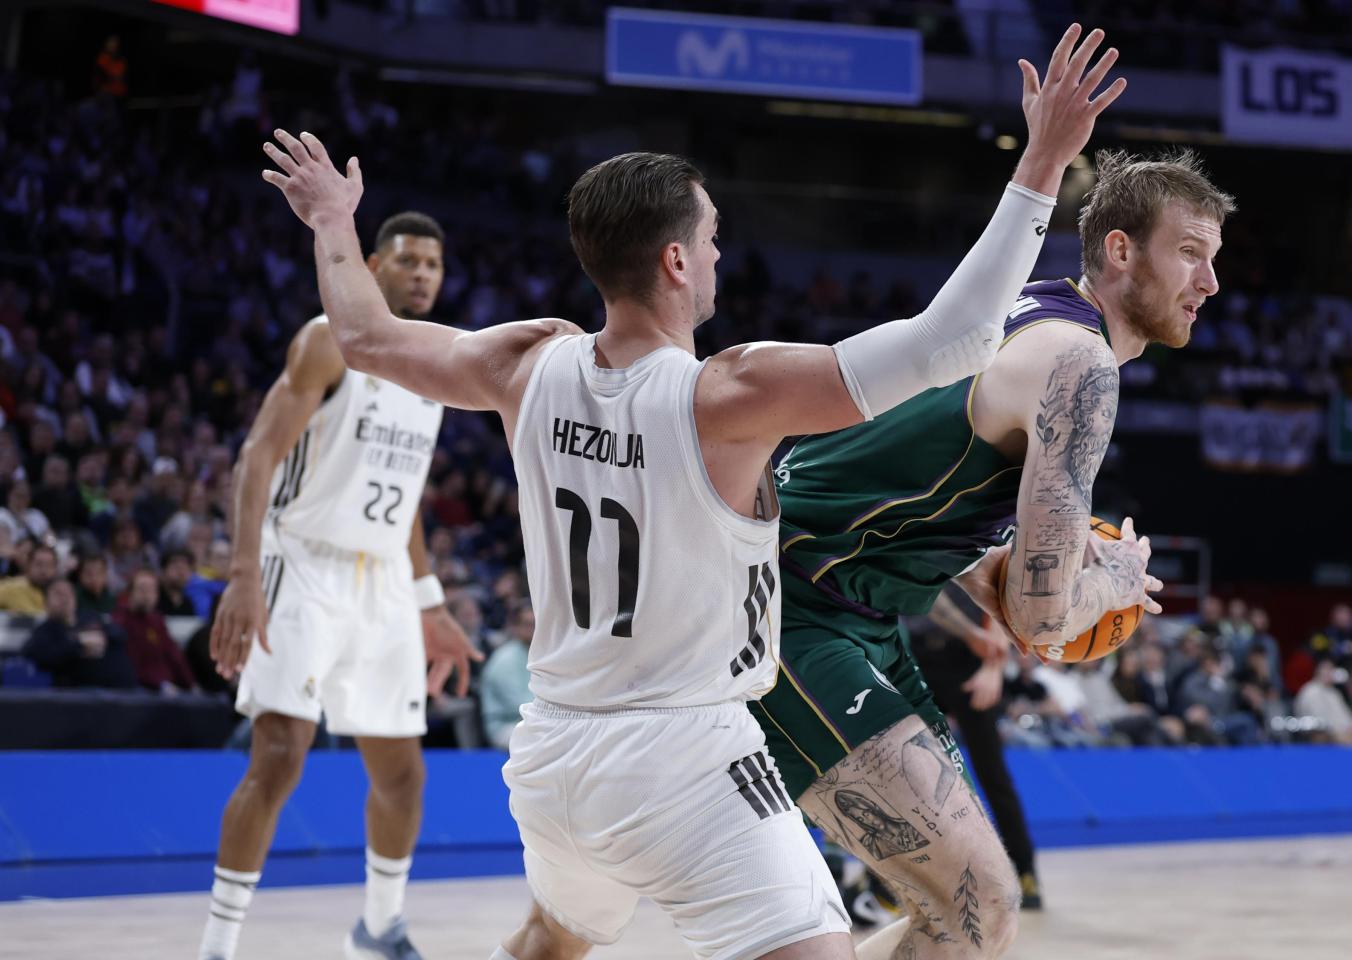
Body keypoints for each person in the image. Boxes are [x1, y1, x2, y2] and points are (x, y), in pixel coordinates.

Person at [259, 22, 1117, 960]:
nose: (717, 255)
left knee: (553, 940)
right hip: (684, 753)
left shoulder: (522, 362)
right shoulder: (725, 394)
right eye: (710, 240)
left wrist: (333, 224)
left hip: (551, 757)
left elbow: (369, 340)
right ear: (674, 260)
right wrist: (1040, 166)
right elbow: (951, 341)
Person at [755, 74, 1220, 960]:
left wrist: (1000, 552)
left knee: (970, 911)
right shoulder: (1080, 364)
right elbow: (1046, 620)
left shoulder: (1028, 306)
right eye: (1192, 252)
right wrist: (1110, 581)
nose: (1212, 280)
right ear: (1119, 251)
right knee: (977, 905)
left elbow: (909, 476)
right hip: (790, 605)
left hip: (845, 601)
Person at [200, 211, 481, 960]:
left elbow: (406, 492)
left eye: (434, 263)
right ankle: (217, 948)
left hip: (382, 578)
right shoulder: (327, 339)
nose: (424, 273)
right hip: (305, 560)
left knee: (403, 773)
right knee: (282, 753)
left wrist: (429, 603)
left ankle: (378, 928)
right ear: (372, 266)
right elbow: (257, 455)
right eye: (409, 260)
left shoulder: (434, 361)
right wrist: (242, 573)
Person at [909, 586, 1042, 909]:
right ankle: (895, 884)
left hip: (971, 659)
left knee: (992, 772)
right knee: (903, 768)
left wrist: (994, 667)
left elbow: (1002, 591)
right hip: (914, 656)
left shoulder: (983, 537)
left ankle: (1024, 871)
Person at [22, 577, 137, 689]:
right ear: (46, 603)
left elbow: (120, 635)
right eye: (58, 594)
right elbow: (33, 652)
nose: (64, 598)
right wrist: (79, 643)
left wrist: (102, 637)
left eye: (68, 593)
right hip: (82, 693)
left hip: (125, 688)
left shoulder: (91, 617)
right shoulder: (45, 630)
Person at [113, 567, 198, 694]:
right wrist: (160, 684)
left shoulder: (157, 621)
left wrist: (191, 684)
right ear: (130, 593)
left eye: (151, 590)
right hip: (135, 689)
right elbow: (131, 662)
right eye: (142, 589)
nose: (147, 595)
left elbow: (173, 654)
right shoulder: (120, 621)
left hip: (167, 688)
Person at [480, 601, 535, 750]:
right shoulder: (504, 659)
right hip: (506, 725)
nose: (534, 629)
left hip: (538, 721)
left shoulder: (542, 655)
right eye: (528, 624)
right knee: (547, 739)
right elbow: (518, 704)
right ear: (515, 627)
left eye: (536, 624)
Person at [0, 541, 57, 614]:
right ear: (28, 565)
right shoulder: (11, 588)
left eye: (49, 565)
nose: (44, 571)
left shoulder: (60, 595)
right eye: (39, 564)